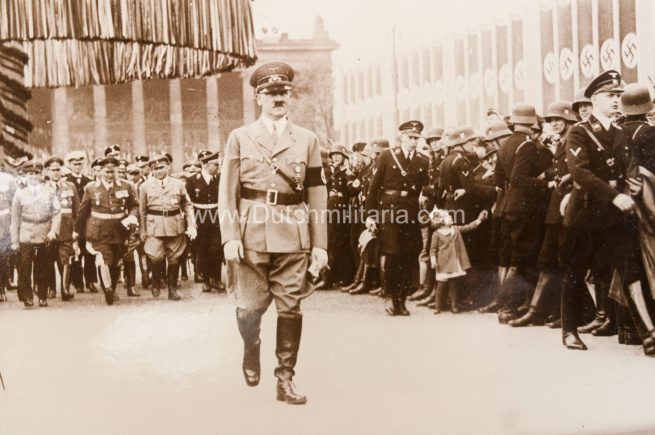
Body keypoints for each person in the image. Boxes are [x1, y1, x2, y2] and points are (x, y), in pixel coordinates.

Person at [219, 61, 328, 404]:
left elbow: (317, 194)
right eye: (271, 93)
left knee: (290, 308)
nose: (278, 98)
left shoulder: (308, 140)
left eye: (283, 92)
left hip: (294, 233)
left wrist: (320, 245)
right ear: (258, 98)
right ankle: (252, 347)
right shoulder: (240, 137)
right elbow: (228, 191)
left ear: (290, 97)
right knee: (249, 310)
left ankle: (285, 379)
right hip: (251, 233)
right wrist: (230, 236)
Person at [559, 70, 645, 351]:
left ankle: (648, 332)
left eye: (619, 96)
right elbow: (580, 174)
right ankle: (569, 331)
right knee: (575, 270)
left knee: (629, 269)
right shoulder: (578, 132)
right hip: (586, 213)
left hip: (615, 215)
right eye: (610, 96)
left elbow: (629, 164)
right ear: (594, 99)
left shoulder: (620, 132)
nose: (617, 101)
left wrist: (632, 184)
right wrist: (614, 196)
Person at [494, 103, 552, 324]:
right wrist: (544, 183)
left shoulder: (505, 144)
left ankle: (516, 305)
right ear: (532, 124)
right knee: (521, 259)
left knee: (515, 257)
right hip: (525, 208)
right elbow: (520, 178)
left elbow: (500, 180)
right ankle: (506, 307)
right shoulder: (527, 145)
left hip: (509, 206)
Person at [365, 120, 429, 316]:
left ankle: (401, 299)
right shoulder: (387, 156)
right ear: (401, 137)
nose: (413, 141)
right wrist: (370, 215)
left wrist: (426, 199)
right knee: (392, 253)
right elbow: (373, 188)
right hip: (390, 211)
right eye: (410, 137)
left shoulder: (422, 160)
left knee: (409, 254)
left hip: (409, 211)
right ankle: (390, 296)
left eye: (416, 138)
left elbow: (424, 188)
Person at [74, 157, 139, 305]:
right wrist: (77, 231)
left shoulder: (126, 186)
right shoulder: (91, 187)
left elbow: (135, 205)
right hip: (99, 229)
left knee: (116, 262)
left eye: (113, 172)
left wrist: (133, 217)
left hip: (119, 229)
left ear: (117, 171)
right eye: (107, 172)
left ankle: (112, 287)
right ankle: (108, 290)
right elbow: (83, 211)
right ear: (101, 171)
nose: (110, 175)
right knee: (104, 259)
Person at [139, 154, 196, 300]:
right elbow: (142, 210)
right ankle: (157, 281)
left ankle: (172, 289)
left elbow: (187, 205)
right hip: (154, 225)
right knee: (156, 257)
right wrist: (143, 230)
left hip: (175, 224)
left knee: (174, 258)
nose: (158, 171)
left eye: (161, 167)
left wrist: (191, 225)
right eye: (154, 168)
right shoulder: (145, 186)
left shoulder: (178, 184)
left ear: (168, 167)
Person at [10, 161, 61, 307]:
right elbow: (15, 218)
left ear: (42, 174)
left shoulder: (50, 192)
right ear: (25, 175)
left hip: (44, 233)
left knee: (43, 266)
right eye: (30, 173)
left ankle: (43, 295)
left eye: (37, 173)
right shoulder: (20, 193)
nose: (33, 176)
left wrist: (53, 231)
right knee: (25, 267)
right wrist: (14, 241)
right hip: (26, 233)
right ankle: (27, 296)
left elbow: (57, 213)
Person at [429, 208, 488, 313]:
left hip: (455, 263)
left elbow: (469, 227)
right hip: (443, 264)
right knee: (441, 286)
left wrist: (479, 220)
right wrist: (433, 259)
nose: (451, 217)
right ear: (441, 221)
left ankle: (454, 305)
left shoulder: (455, 229)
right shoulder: (436, 234)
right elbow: (433, 249)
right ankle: (438, 306)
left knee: (454, 285)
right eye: (448, 216)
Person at [185, 150, 224, 292]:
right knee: (203, 250)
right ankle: (206, 280)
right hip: (199, 217)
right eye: (215, 164)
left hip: (217, 217)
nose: (218, 167)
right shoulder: (192, 180)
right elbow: (188, 204)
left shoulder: (220, 179)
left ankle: (217, 279)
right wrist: (191, 223)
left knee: (217, 248)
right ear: (206, 164)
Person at [45, 157, 80, 301]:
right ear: (47, 171)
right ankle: (51, 288)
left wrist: (77, 230)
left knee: (65, 260)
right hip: (49, 229)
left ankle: (65, 289)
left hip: (67, 229)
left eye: (58, 169)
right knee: (48, 259)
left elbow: (77, 210)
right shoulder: (43, 188)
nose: (56, 173)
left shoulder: (70, 186)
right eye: (53, 170)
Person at [65, 150, 98, 294]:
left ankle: (90, 281)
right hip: (72, 221)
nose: (77, 166)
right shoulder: (66, 182)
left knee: (89, 252)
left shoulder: (89, 182)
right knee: (75, 252)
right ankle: (78, 283)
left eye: (80, 164)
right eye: (74, 164)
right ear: (69, 165)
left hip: (88, 222)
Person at [0, 167, 17, 301]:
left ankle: (1, 287)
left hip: (4, 223)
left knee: (3, 257)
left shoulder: (8, 179)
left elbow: (14, 202)